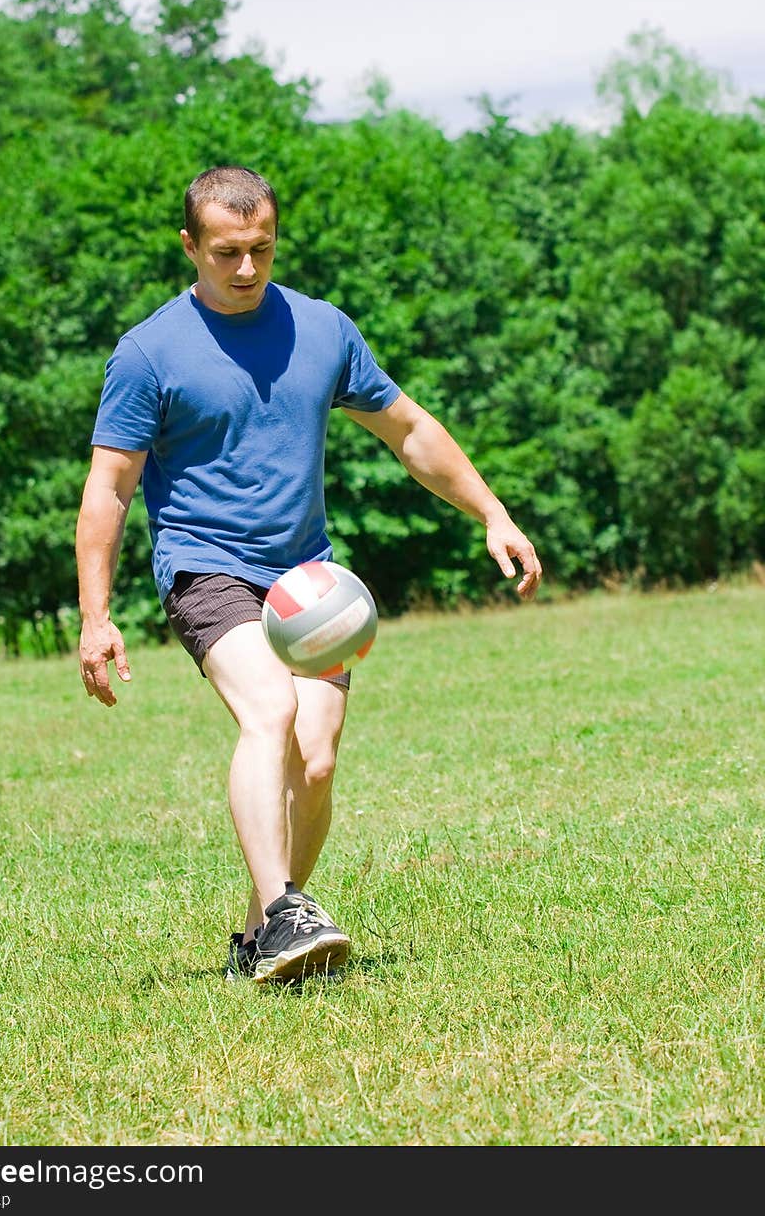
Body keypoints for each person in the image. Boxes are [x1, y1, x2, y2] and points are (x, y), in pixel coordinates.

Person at [75, 165, 542, 985]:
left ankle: (263, 934)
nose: (247, 268)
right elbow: (110, 488)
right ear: (191, 246)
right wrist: (95, 614)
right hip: (205, 566)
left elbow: (408, 431)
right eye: (227, 252)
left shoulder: (322, 329)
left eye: (261, 248)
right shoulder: (149, 352)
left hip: (309, 582)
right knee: (272, 708)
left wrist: (493, 513)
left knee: (317, 759)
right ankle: (288, 907)